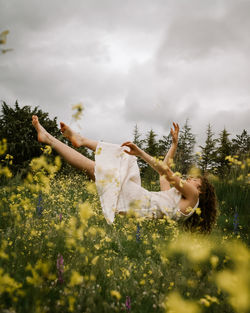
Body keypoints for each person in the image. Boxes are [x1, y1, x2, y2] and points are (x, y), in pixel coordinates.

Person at [32, 116, 217, 234]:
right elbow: (164, 176)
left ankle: (51, 138)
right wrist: (174, 146)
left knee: (95, 168)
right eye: (192, 178)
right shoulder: (178, 200)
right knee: (124, 157)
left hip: (138, 202)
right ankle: (77, 139)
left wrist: (142, 153)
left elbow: (166, 172)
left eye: (195, 182)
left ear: (200, 192)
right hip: (140, 198)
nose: (190, 180)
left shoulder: (192, 198)